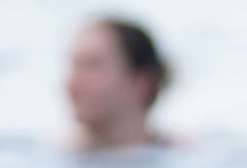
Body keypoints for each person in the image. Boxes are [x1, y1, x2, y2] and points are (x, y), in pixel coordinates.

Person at [66, 17, 175, 151]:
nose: (74, 83)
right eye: (76, 66)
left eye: (93, 66)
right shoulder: (54, 153)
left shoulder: (181, 153)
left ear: (141, 82)